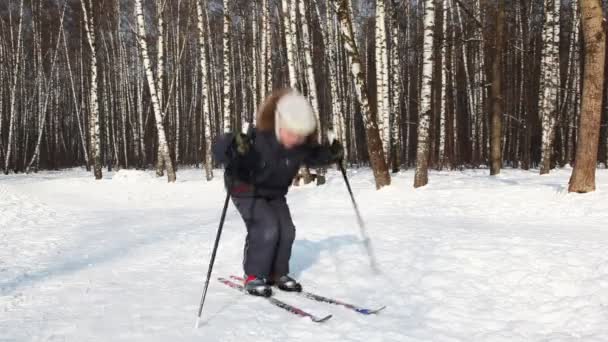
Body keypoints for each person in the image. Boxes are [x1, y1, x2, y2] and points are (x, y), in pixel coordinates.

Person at [212, 88, 344, 297]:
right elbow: (221, 148)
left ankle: (277, 273)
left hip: (274, 192)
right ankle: (254, 275)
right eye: (291, 133)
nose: (295, 139)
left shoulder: (299, 146)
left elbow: (315, 156)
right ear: (279, 124)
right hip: (245, 189)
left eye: (300, 136)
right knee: (267, 227)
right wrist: (234, 147)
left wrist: (332, 154)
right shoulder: (259, 139)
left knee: (287, 230)